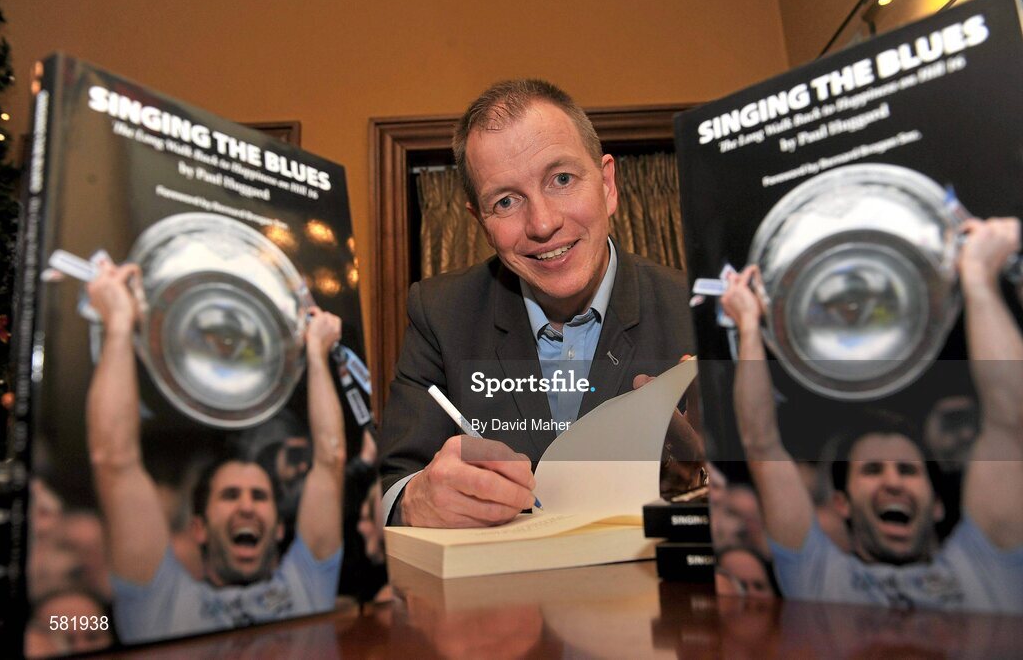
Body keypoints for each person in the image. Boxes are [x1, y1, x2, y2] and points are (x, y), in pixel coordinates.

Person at [378, 79, 701, 528]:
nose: (543, 224)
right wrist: (414, 499)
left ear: (607, 184)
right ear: (480, 222)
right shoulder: (438, 312)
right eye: (506, 201)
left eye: (562, 179)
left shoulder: (700, 312)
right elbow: (389, 482)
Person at [720, 217, 1023, 612]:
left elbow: (1009, 418)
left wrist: (979, 281)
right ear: (841, 503)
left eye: (908, 471)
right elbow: (761, 444)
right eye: (872, 470)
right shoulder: (817, 577)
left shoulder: (985, 566)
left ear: (937, 504)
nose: (893, 482)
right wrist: (748, 327)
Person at [85, 260, 346, 643]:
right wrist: (120, 323)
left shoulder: (308, 583)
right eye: (230, 495)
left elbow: (330, 459)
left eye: (259, 496)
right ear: (199, 528)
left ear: (278, 528)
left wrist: (317, 355)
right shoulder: (160, 602)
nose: (246, 506)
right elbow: (114, 461)